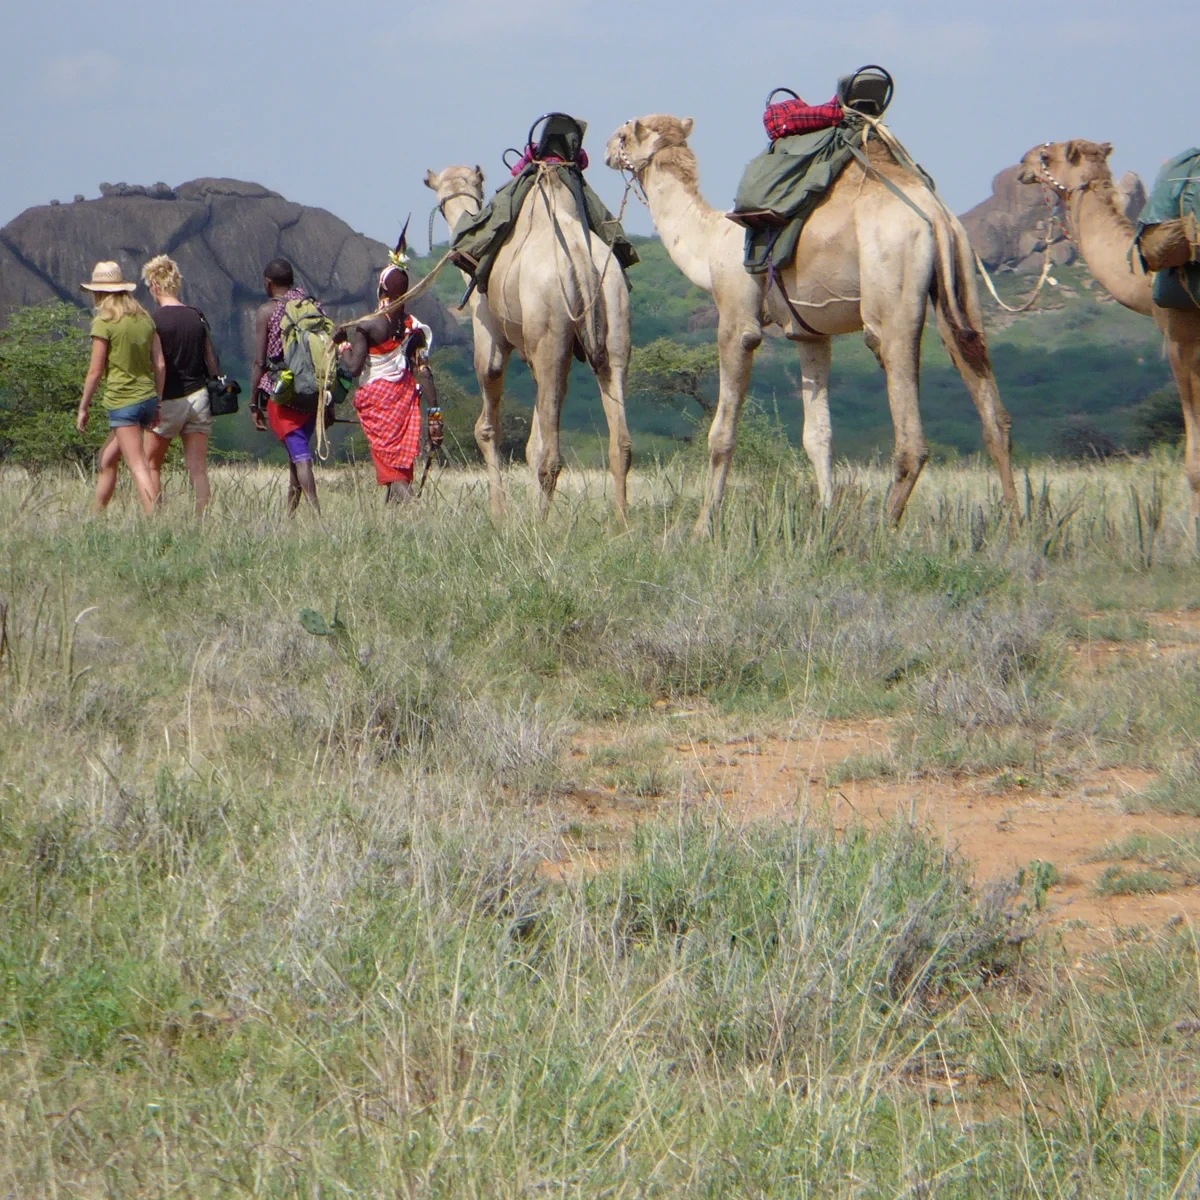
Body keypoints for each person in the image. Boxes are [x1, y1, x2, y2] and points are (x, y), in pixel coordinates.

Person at [337, 263, 435, 502]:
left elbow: (354, 368)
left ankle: (417, 512)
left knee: (394, 474)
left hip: (378, 402)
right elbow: (424, 372)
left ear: (381, 290)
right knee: (399, 468)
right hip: (405, 399)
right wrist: (435, 414)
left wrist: (342, 345)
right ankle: (394, 518)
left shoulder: (368, 325)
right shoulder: (414, 327)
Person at [76, 261, 165, 515]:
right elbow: (159, 364)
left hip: (123, 401)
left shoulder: (104, 322)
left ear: (99, 293)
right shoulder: (145, 319)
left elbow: (95, 371)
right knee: (106, 458)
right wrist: (158, 402)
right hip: (148, 399)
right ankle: (95, 517)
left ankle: (157, 522)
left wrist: (83, 407)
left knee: (138, 465)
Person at [141, 255, 219, 514]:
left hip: (168, 398)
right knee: (197, 468)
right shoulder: (197, 317)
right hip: (199, 397)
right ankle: (202, 520)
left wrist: (156, 400)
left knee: (150, 463)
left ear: (154, 285)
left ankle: (155, 520)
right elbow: (211, 361)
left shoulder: (154, 321)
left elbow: (156, 365)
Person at [249, 258, 321, 515]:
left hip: (283, 394)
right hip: (312, 394)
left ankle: (317, 517)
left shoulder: (267, 312)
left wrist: (254, 403)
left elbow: (259, 362)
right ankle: (289, 517)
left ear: (268, 283)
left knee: (300, 458)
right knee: (295, 455)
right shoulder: (311, 306)